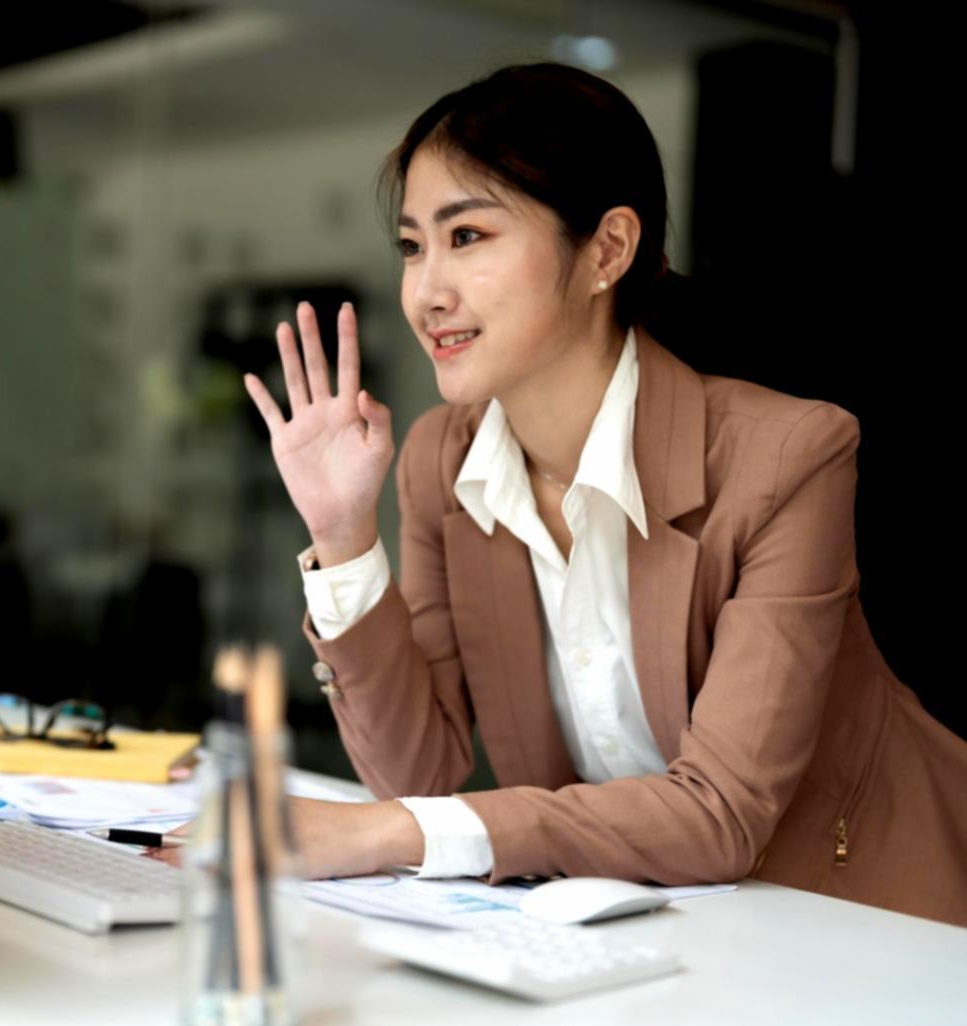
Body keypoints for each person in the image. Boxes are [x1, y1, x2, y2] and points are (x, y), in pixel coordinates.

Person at [154, 62, 967, 927]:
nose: (426, 291)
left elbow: (719, 814)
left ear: (607, 250)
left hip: (873, 922)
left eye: (466, 237)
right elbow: (417, 772)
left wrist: (376, 833)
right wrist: (346, 533)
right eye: (410, 245)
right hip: (664, 928)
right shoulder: (439, 459)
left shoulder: (785, 457)